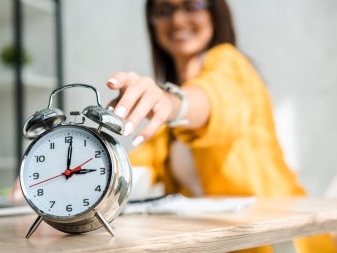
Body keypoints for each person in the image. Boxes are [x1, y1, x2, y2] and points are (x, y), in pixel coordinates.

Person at [105, 0, 337, 252]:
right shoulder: (166, 121)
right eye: (164, 11)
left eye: (192, 5)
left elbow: (213, 99)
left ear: (216, 11)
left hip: (284, 242)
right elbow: (133, 166)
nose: (178, 20)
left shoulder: (229, 63)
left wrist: (172, 103)